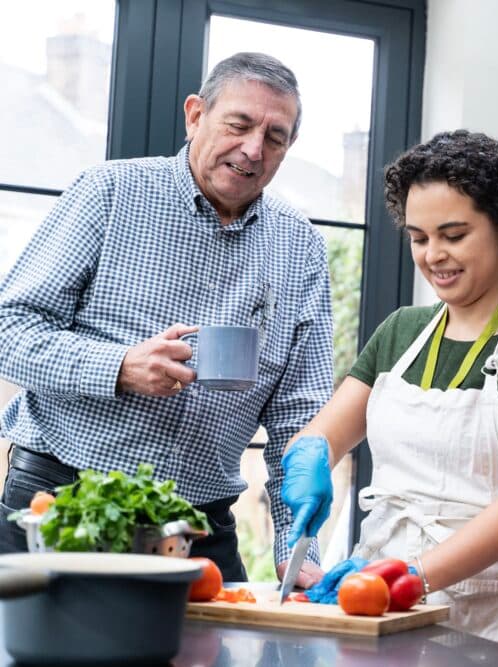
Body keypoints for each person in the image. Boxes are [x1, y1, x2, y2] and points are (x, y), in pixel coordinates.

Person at [0, 52, 334, 585]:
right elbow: (10, 327)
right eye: (239, 124)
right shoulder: (108, 192)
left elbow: (300, 413)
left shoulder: (302, 247)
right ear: (196, 115)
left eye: (275, 137)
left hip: (201, 529)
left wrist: (298, 547)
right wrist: (118, 366)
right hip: (65, 502)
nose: (253, 149)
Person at [279, 130, 498, 654]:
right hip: (378, 597)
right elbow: (324, 433)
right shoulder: (401, 331)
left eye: (453, 234)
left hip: (494, 616)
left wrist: (411, 576)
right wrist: (310, 457)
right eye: (419, 237)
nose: (434, 256)